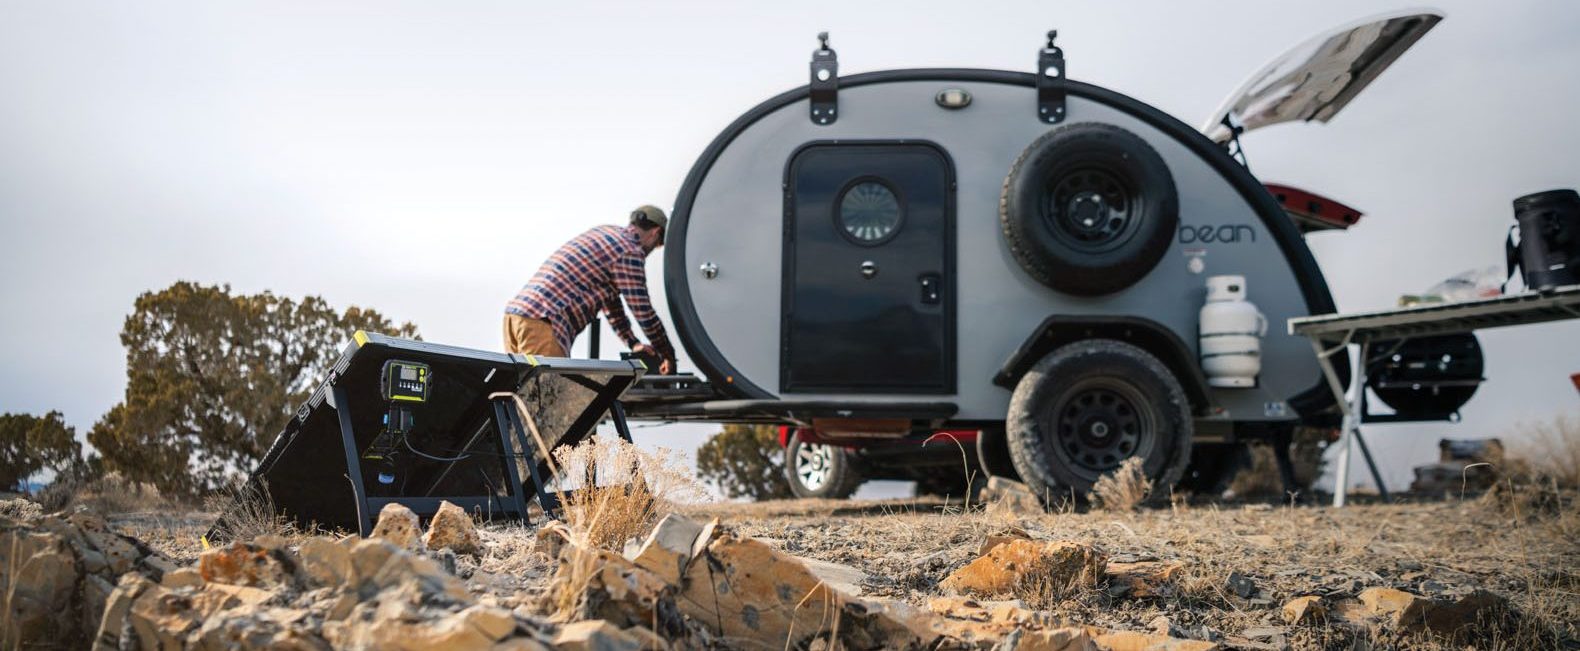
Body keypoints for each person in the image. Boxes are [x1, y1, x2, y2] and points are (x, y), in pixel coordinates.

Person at [503, 205, 676, 374]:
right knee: (548, 397)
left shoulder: (606, 233)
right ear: (656, 232)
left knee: (520, 397)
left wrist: (633, 343)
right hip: (543, 322)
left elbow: (612, 306)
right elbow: (643, 311)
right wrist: (667, 354)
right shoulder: (630, 251)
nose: (653, 249)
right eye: (658, 245)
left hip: (515, 317)